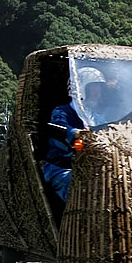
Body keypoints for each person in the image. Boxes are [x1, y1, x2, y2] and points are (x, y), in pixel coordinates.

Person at [41, 67, 107, 203]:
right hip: (61, 167)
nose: (98, 92)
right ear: (81, 88)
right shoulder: (61, 112)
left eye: (99, 88)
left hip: (91, 168)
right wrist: (76, 133)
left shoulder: (98, 117)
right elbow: (61, 129)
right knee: (80, 188)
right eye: (93, 88)